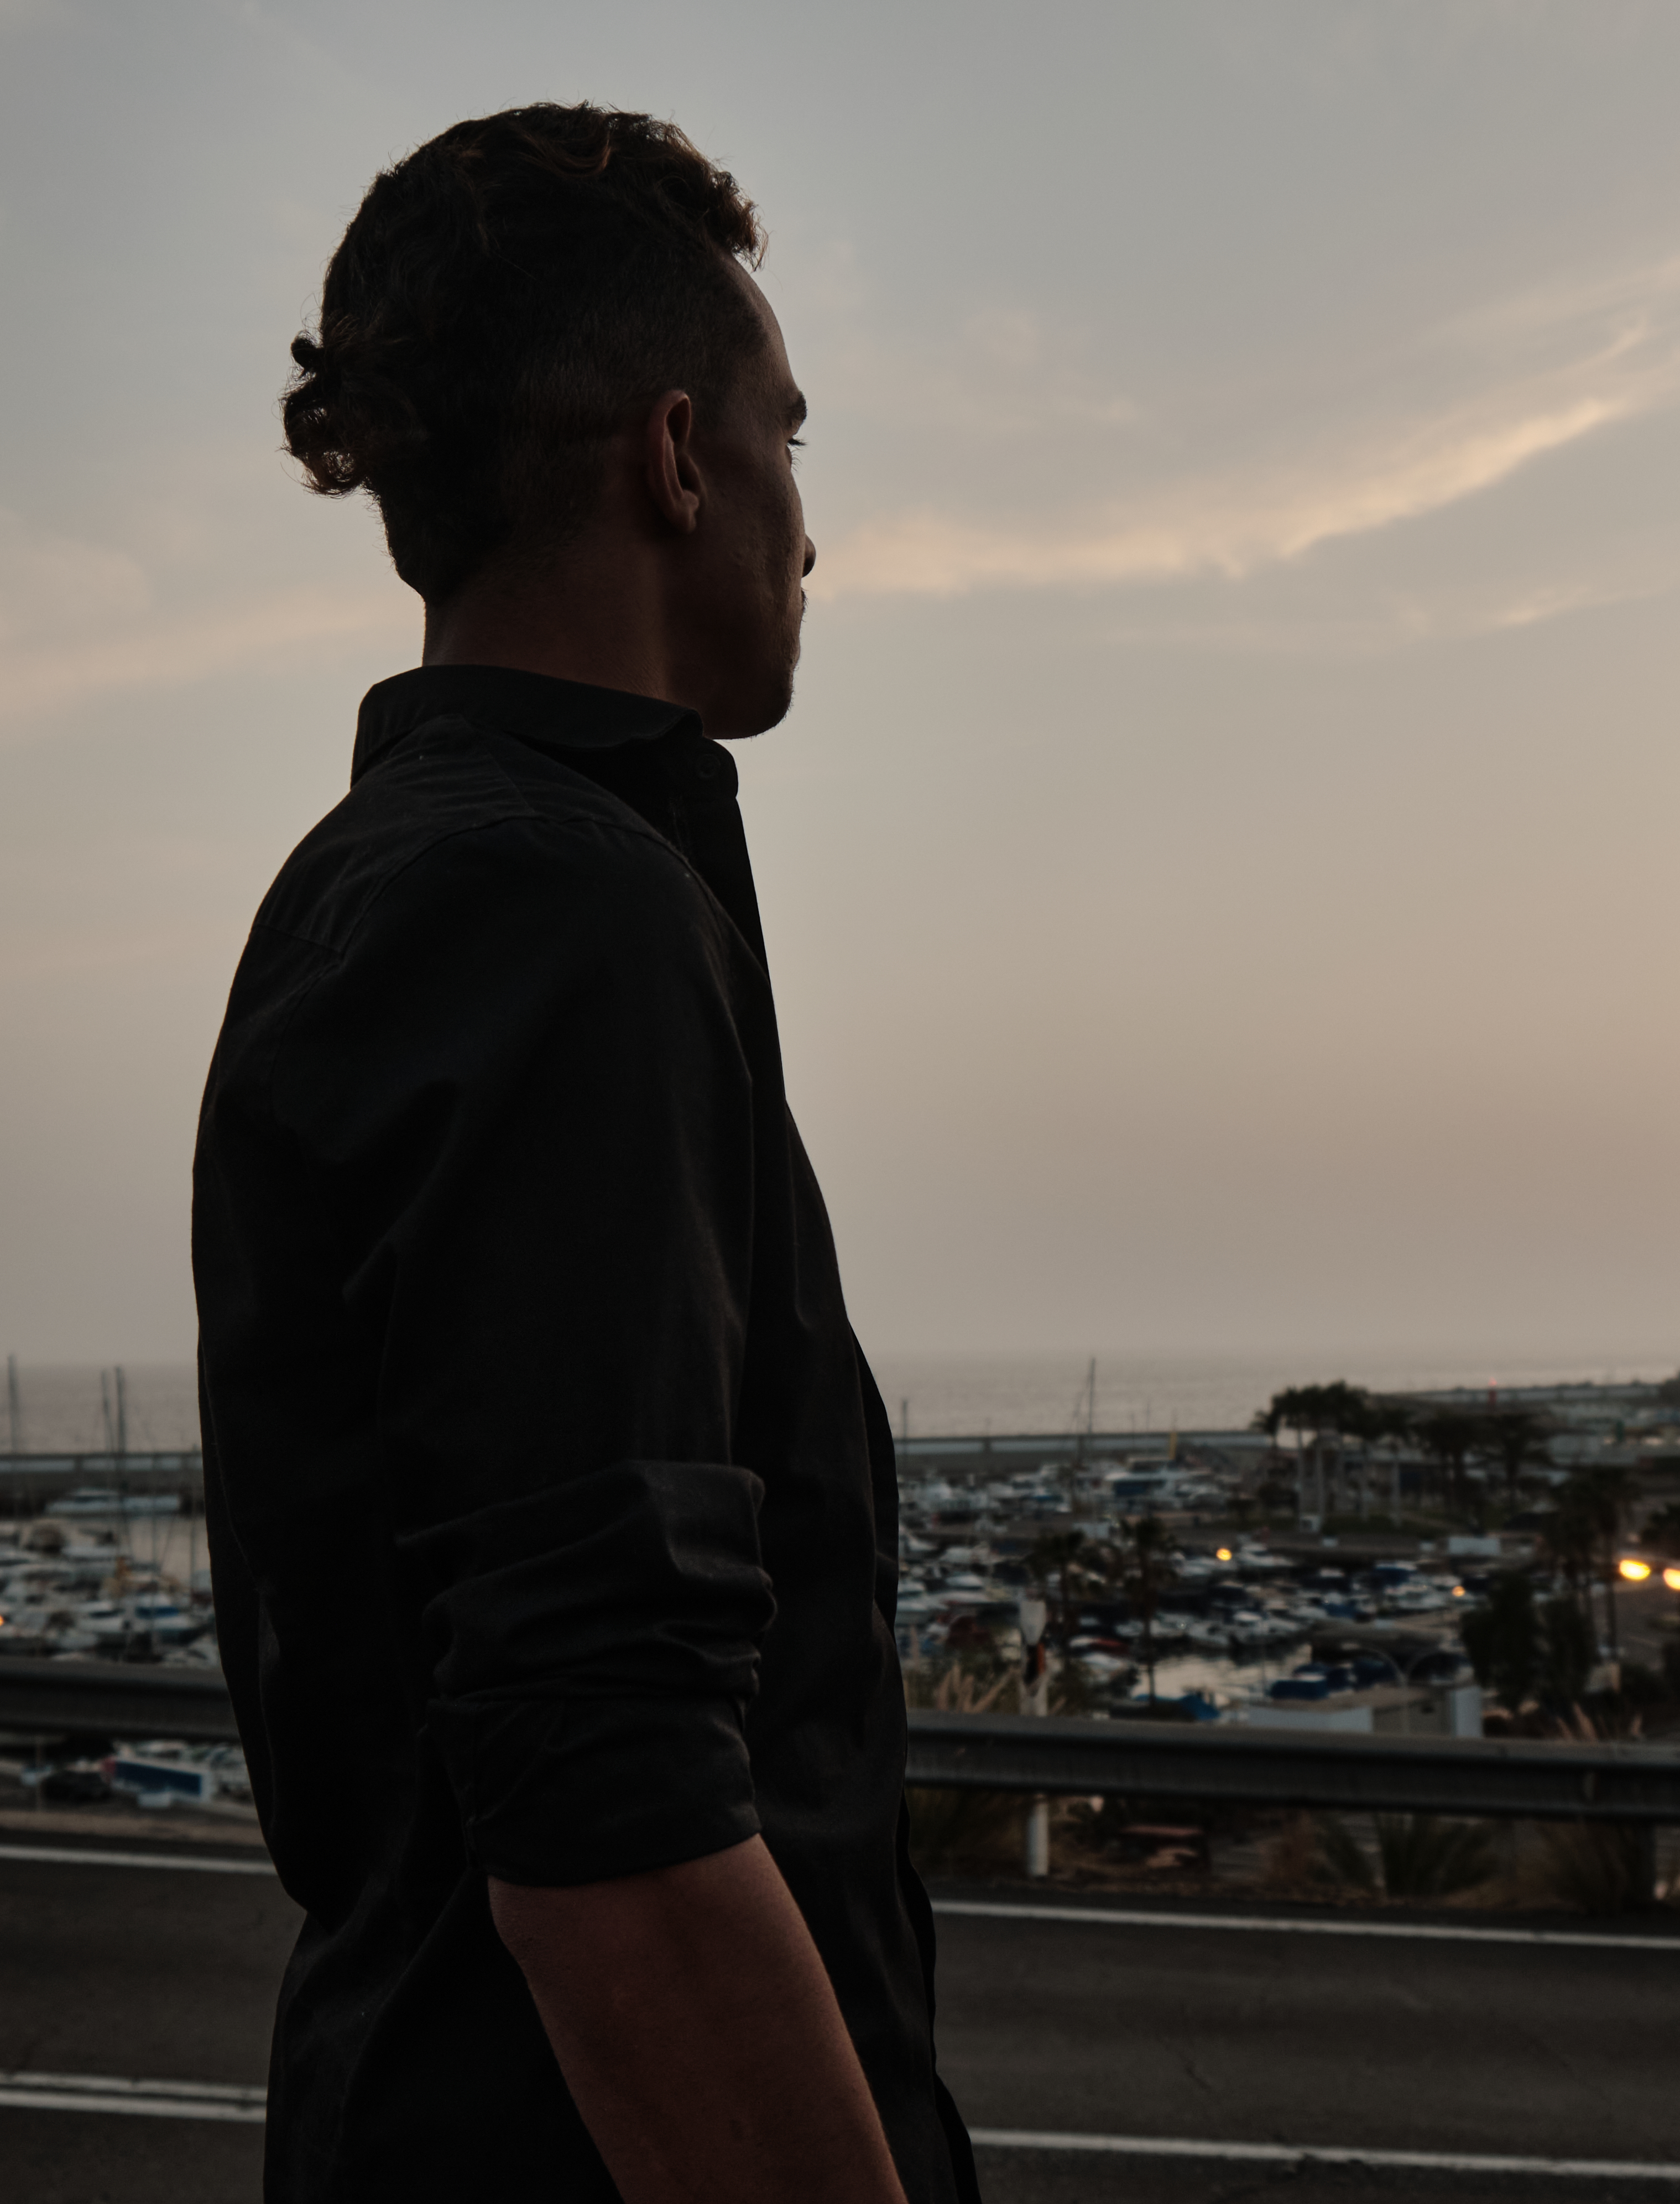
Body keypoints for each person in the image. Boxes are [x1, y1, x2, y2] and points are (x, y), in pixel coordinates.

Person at [193, 105, 975, 2204]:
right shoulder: (556, 913)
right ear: (676, 456)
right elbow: (601, 1796)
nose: (808, 531)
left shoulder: (396, 885)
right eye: (787, 442)